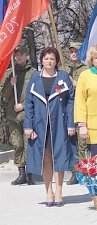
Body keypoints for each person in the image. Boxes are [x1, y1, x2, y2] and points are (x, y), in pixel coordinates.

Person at [23, 47, 76, 207]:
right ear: (42, 60)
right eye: (46, 59)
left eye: (52, 59)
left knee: (58, 156)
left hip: (59, 123)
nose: (49, 61)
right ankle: (48, 191)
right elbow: (29, 103)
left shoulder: (63, 77)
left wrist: (70, 123)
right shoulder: (34, 78)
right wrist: (28, 125)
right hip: (40, 125)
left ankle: (59, 191)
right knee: (46, 158)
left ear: (56, 61)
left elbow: (71, 101)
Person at [0, 46, 36, 185]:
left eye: (21, 54)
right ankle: (21, 172)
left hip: (28, 115)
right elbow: (4, 95)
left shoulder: (34, 74)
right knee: (17, 144)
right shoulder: (10, 74)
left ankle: (30, 173)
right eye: (16, 55)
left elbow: (38, 96)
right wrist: (10, 84)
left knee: (29, 144)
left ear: (27, 56)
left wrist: (25, 106)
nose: (18, 57)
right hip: (13, 116)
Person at [65, 41, 87, 185]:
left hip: (82, 109)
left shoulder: (86, 69)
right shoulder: (63, 69)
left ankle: (84, 170)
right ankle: (74, 171)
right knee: (70, 143)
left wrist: (76, 84)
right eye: (72, 51)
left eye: (76, 51)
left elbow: (89, 87)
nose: (74, 53)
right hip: (67, 110)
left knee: (83, 142)